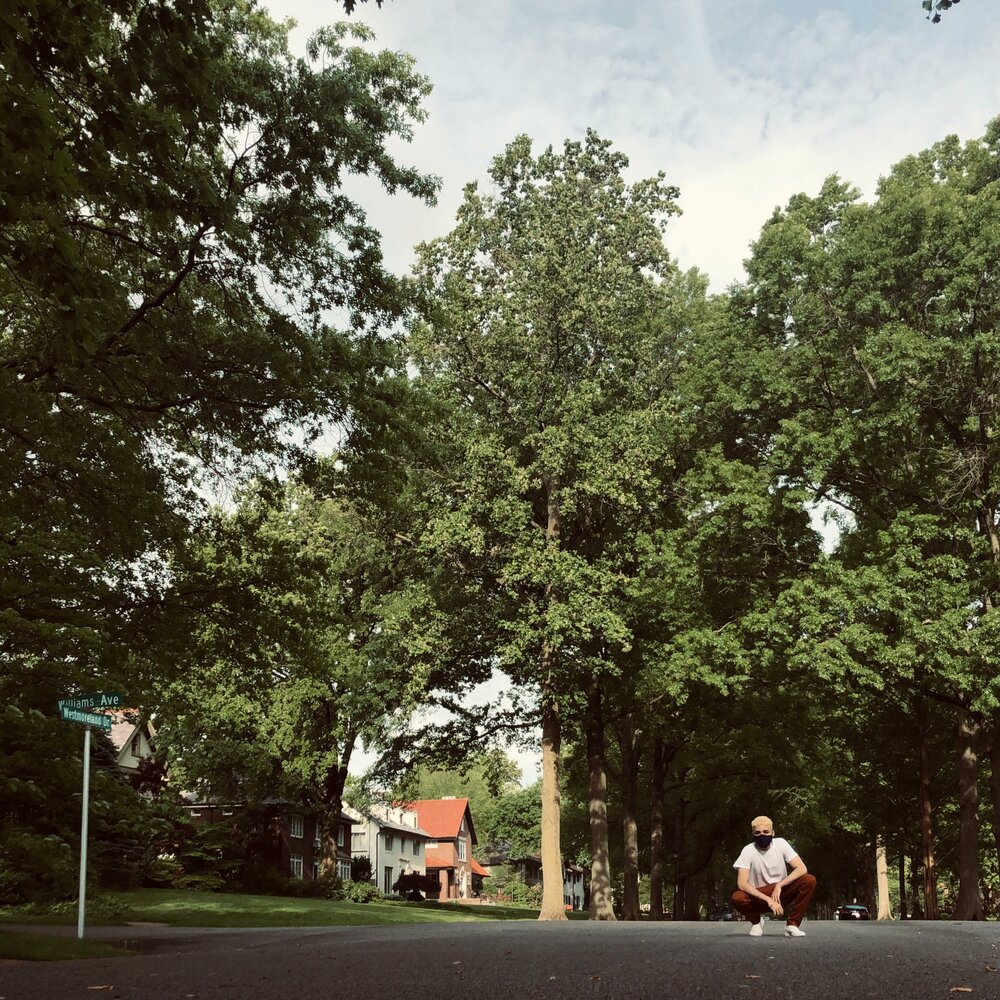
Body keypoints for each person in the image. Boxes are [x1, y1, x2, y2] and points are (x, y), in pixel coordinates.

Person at [731, 815, 816, 938]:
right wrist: (768, 900)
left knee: (809, 880)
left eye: (766, 832)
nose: (762, 835)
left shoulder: (781, 844)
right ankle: (756, 922)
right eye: (758, 833)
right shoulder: (748, 850)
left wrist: (779, 885)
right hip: (759, 896)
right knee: (737, 897)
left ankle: (792, 925)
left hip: (781, 893)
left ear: (773, 833)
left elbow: (802, 868)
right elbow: (742, 883)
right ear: (753, 834)